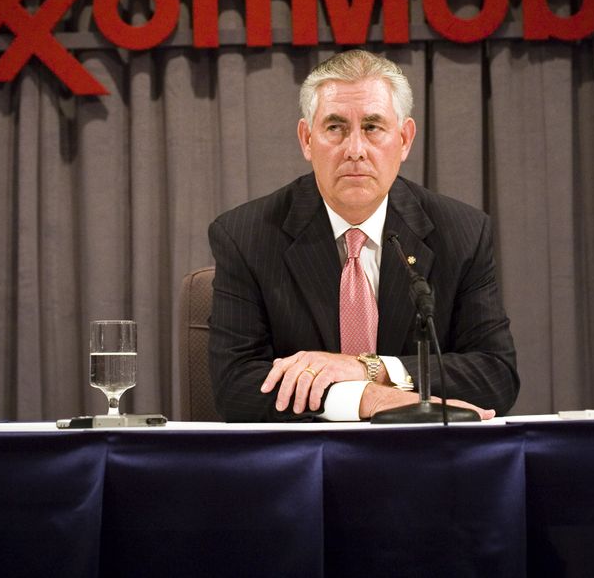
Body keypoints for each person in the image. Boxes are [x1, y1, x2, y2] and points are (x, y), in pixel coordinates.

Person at [207, 50, 519, 422]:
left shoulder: (461, 233)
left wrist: (372, 369)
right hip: (302, 461)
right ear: (307, 139)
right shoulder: (247, 236)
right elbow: (235, 386)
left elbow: (495, 374)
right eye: (335, 128)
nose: (355, 150)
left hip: (423, 461)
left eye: (372, 127)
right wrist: (366, 398)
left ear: (404, 139)